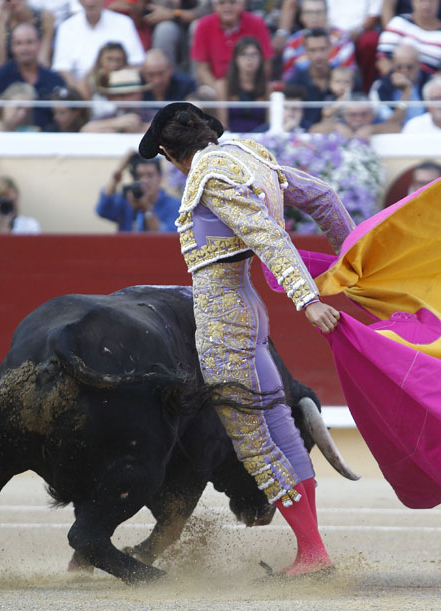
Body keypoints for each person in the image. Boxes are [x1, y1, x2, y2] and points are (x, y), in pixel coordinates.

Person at [137, 101, 354, 577]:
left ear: (172, 155)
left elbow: (267, 236)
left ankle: (313, 554)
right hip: (251, 311)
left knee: (253, 439)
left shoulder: (209, 177)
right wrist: (356, 256)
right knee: (277, 421)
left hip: (223, 316)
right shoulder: (249, 154)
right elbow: (324, 197)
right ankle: (312, 552)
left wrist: (307, 299)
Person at [51, 0, 144, 92]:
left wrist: (115, 88)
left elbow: (136, 63)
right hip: (80, 91)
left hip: (118, 90)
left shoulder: (124, 23)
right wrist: (79, 94)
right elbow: (62, 68)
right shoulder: (66, 27)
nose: (90, 2)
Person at [0, 22, 66, 128]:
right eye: (19, 43)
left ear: (39, 44)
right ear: (12, 47)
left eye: (29, 42)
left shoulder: (54, 80)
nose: (25, 48)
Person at [190, 0, 272, 91]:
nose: (227, 7)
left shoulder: (257, 23)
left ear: (242, 4)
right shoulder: (203, 25)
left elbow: (266, 63)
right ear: (214, 6)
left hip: (251, 86)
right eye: (221, 3)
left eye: (232, 2)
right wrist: (219, 90)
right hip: (215, 86)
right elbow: (202, 68)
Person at [96, 150, 180, 231]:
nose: (145, 180)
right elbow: (102, 209)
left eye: (150, 175)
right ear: (134, 178)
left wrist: (146, 209)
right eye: (140, 175)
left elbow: (168, 237)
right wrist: (119, 170)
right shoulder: (127, 201)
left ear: (160, 176)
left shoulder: (174, 205)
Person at [280, 0, 354, 80]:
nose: (314, 17)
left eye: (319, 12)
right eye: (309, 12)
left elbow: (349, 73)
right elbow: (287, 78)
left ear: (327, 14)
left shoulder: (342, 38)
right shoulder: (293, 42)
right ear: (302, 16)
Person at [376, 0, 441, 76]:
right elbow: (383, 60)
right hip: (393, 82)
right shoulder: (399, 22)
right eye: (422, 1)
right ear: (413, 2)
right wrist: (396, 80)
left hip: (429, 84)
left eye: (431, 1)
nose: (426, 5)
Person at [284, 27, 335, 127]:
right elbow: (290, 116)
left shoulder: (346, 79)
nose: (318, 55)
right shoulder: (295, 82)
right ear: (305, 51)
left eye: (322, 49)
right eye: (313, 50)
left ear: (330, 49)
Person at [216, 36, 268, 133]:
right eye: (243, 54)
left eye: (254, 54)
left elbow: (269, 124)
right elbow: (222, 124)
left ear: (260, 58)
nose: (249, 59)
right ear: (236, 59)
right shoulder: (223, 85)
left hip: (261, 140)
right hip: (231, 139)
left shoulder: (267, 87)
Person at [368, 40, 427, 123]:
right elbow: (391, 124)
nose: (404, 71)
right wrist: (406, 92)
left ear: (419, 65)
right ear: (393, 65)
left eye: (409, 67)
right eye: (399, 67)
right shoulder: (380, 87)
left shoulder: (430, 83)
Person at [80, 67, 151, 132]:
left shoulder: (152, 115)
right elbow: (85, 130)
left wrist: (141, 128)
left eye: (130, 94)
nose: (125, 99)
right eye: (120, 95)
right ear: (111, 98)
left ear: (140, 95)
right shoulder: (106, 117)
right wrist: (116, 123)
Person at [0, 0, 54, 69]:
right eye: (8, 0)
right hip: (10, 71)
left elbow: (44, 59)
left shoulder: (45, 18)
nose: (14, 2)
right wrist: (1, 23)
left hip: (36, 70)